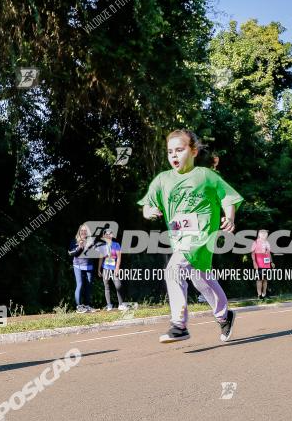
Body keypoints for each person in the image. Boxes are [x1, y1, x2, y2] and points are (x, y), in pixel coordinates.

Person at [138, 129, 243, 343]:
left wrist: (229, 217)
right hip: (180, 238)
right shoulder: (162, 180)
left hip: (202, 235)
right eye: (170, 151)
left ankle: (179, 325)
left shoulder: (206, 176)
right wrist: (148, 212)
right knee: (201, 280)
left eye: (179, 149)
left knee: (173, 270)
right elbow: (147, 204)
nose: (174, 155)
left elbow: (227, 198)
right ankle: (224, 316)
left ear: (193, 151)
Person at [68, 224, 97, 313]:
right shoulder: (75, 241)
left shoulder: (91, 241)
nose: (83, 232)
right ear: (79, 232)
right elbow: (70, 253)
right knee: (80, 284)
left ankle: (87, 306)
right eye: (82, 230)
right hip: (78, 265)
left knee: (88, 286)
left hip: (89, 265)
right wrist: (79, 247)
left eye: (85, 231)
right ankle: (79, 306)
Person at [99, 229, 127, 311]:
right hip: (105, 268)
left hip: (114, 268)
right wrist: (98, 269)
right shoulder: (102, 246)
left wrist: (117, 268)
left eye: (110, 233)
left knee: (118, 286)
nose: (109, 235)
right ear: (104, 236)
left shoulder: (116, 244)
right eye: (107, 234)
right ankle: (109, 305)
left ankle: (121, 304)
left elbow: (119, 257)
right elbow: (101, 258)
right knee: (106, 287)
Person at [252, 229, 274, 300]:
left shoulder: (267, 242)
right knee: (259, 279)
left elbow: (269, 253)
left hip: (267, 265)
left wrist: (271, 262)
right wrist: (254, 262)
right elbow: (252, 253)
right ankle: (259, 295)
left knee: (265, 280)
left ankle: (264, 294)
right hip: (259, 265)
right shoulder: (255, 242)